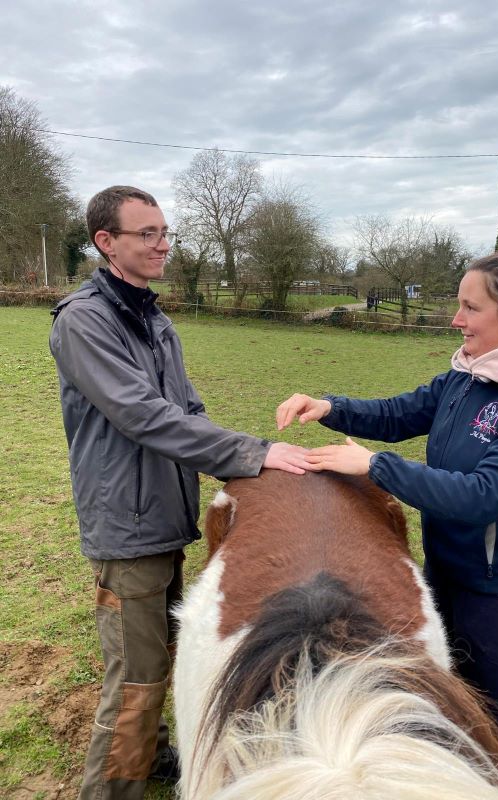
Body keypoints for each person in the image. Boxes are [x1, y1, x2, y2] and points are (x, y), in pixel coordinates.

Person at [276, 252, 498, 797]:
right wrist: (328, 406)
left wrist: (374, 466)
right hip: (443, 573)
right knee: (444, 696)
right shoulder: (468, 375)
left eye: (470, 307)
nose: (456, 319)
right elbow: (400, 413)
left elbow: (485, 496)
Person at [50, 185, 312, 800]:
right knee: (135, 682)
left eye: (165, 231)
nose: (162, 243)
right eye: (147, 234)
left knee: (161, 656)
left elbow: (186, 407)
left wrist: (249, 469)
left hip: (167, 514)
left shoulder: (153, 318)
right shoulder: (84, 321)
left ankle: (154, 755)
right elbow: (141, 414)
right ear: (105, 242)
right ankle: (113, 788)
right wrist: (254, 453)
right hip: (127, 525)